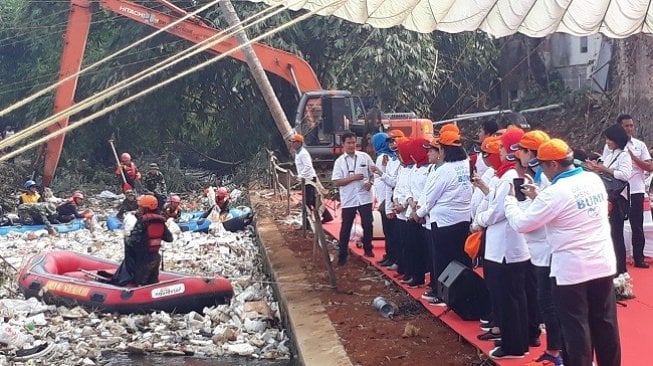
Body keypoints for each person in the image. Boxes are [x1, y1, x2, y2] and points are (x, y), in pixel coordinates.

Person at [504, 138, 621, 366]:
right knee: (605, 323)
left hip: (572, 270)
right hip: (602, 263)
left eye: (543, 166)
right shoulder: (592, 179)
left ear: (554, 165)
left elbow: (521, 223)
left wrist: (510, 200)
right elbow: (567, 209)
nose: (542, 171)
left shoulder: (556, 192)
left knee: (576, 328)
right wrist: (539, 197)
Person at [472, 128, 532, 359]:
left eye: (504, 147)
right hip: (508, 246)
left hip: (505, 248)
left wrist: (479, 220)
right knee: (514, 296)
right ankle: (516, 338)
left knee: (507, 297)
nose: (500, 151)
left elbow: (498, 212)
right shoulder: (509, 175)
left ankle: (513, 344)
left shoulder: (510, 177)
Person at [506, 130, 563, 366]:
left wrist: (512, 200)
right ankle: (556, 349)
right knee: (547, 302)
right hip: (541, 250)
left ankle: (556, 352)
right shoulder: (540, 175)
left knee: (550, 303)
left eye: (522, 150)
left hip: (546, 250)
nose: (518, 154)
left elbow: (527, 221)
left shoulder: (546, 178)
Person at [415, 130, 473, 304]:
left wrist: (417, 214)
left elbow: (430, 199)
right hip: (462, 220)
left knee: (443, 260)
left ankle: (443, 295)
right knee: (461, 259)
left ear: (444, 150)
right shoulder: (465, 163)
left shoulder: (444, 171)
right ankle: (463, 294)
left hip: (443, 223)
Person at [586, 124, 633, 275]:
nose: (607, 142)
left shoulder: (624, 155)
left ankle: (621, 270)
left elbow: (625, 175)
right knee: (610, 234)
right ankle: (613, 269)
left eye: (610, 139)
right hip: (608, 196)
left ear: (617, 139)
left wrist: (604, 169)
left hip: (618, 199)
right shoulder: (610, 154)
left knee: (616, 235)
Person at [331, 131, 375, 265]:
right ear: (343, 144)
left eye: (353, 143)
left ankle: (368, 248)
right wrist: (353, 178)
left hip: (364, 197)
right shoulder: (339, 162)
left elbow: (373, 174)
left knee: (368, 224)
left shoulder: (364, 157)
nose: (351, 145)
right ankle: (342, 255)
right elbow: (337, 182)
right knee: (346, 227)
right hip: (349, 198)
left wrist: (370, 183)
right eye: (348, 143)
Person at [110, 195, 173, 286]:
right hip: (155, 258)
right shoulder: (161, 221)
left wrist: (127, 238)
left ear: (147, 208)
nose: (139, 209)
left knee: (139, 284)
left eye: (140, 207)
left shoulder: (143, 221)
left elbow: (134, 240)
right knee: (152, 283)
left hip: (142, 260)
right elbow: (169, 238)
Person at [616, 114, 651, 268]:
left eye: (631, 125)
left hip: (636, 190)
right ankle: (619, 260)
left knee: (637, 225)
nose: (629, 128)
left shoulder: (640, 145)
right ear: (619, 127)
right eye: (626, 126)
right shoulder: (612, 146)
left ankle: (639, 257)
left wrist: (633, 158)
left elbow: (649, 166)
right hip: (619, 191)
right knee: (617, 226)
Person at [288, 133, 333, 223]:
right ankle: (324, 216)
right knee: (311, 200)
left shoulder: (303, 153)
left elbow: (308, 166)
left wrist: (300, 176)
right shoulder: (298, 153)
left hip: (309, 179)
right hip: (305, 179)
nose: (292, 144)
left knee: (308, 201)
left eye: (294, 142)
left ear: (299, 143)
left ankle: (308, 221)